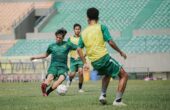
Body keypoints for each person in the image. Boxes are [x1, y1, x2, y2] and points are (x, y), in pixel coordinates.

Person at [77, 7, 128, 106]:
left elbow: (78, 49)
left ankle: (103, 95)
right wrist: (120, 52)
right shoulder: (101, 27)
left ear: (87, 18)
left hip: (94, 62)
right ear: (98, 17)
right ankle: (118, 101)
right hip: (104, 58)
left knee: (107, 74)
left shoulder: (83, 32)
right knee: (124, 75)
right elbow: (111, 42)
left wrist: (85, 63)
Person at [30, 28, 77, 96]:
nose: (58, 39)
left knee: (60, 80)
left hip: (63, 67)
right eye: (57, 37)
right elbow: (45, 55)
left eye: (60, 38)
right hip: (53, 66)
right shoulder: (51, 46)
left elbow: (78, 48)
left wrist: (78, 55)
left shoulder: (67, 44)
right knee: (50, 78)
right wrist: (35, 57)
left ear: (63, 38)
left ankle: (47, 92)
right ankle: (44, 86)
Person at [67, 23, 84, 93]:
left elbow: (83, 48)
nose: (77, 30)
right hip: (73, 59)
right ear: (74, 30)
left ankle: (80, 88)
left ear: (80, 30)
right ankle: (70, 80)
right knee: (72, 74)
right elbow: (67, 47)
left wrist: (82, 56)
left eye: (79, 29)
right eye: (76, 29)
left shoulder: (82, 38)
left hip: (80, 59)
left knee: (81, 72)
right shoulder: (70, 39)